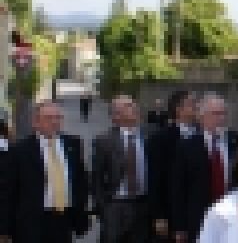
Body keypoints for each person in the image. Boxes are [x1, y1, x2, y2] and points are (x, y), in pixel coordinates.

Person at [0, 100, 90, 243]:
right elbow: (7, 191)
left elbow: (80, 181)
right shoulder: (19, 150)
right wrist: (4, 229)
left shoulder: (73, 144)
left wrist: (81, 214)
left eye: (58, 117)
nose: (54, 122)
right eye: (48, 118)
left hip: (63, 218)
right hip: (30, 222)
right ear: (35, 122)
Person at [172, 93, 238, 242]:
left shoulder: (236, 142)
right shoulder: (187, 146)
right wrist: (180, 227)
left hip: (232, 215)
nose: (221, 118)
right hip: (199, 218)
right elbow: (179, 188)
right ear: (202, 117)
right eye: (216, 114)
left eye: (224, 114)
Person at [92, 95, 152, 242]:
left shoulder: (150, 136)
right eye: (128, 106)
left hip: (144, 204)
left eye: (133, 104)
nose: (134, 108)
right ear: (116, 116)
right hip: (116, 205)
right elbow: (96, 178)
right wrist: (103, 208)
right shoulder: (104, 141)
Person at [149, 90, 197, 241]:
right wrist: (159, 215)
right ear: (179, 109)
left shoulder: (203, 135)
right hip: (171, 211)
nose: (196, 106)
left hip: (197, 209)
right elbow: (156, 178)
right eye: (192, 104)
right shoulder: (160, 138)